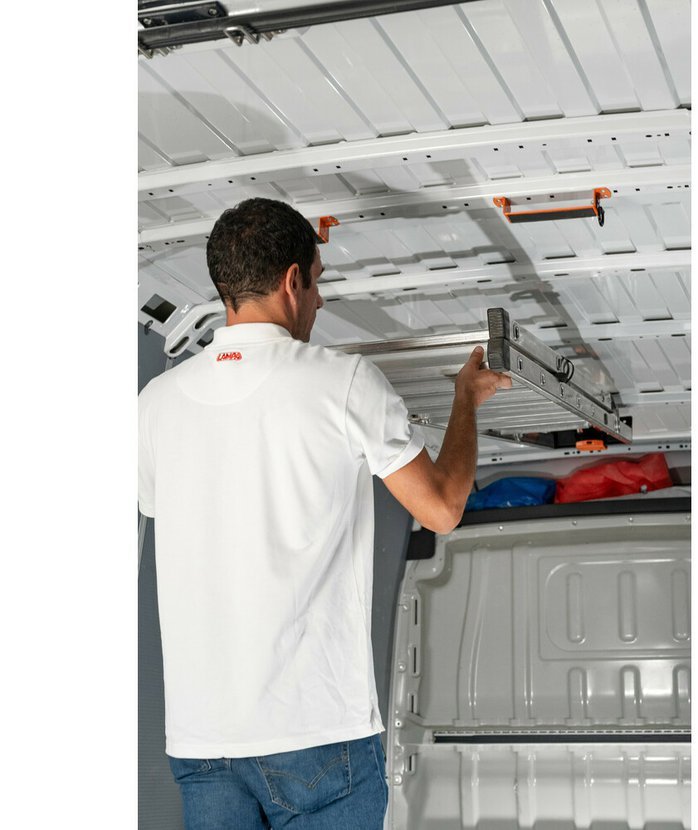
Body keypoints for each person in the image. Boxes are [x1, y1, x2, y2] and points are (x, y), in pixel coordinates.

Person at [137, 197, 511, 829]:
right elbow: (444, 508)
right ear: (293, 281)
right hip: (314, 733)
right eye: (318, 280)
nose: (320, 299)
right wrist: (465, 399)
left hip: (202, 742)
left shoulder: (154, 403)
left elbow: (161, 507)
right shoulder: (343, 381)